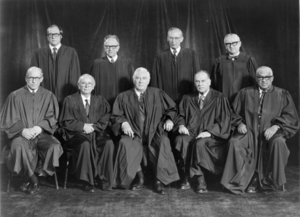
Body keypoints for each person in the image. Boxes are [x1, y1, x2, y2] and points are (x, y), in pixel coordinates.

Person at [221, 66, 299, 194]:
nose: (264, 80)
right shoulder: (245, 93)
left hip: (270, 131)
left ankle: (270, 181)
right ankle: (239, 181)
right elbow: (232, 112)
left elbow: (290, 116)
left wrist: (275, 127)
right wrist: (240, 123)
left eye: (267, 77)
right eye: (260, 77)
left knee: (278, 143)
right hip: (249, 130)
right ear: (256, 79)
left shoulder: (282, 94)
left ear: (272, 78)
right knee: (234, 143)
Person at [111, 67, 180, 195]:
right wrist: (124, 123)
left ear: (149, 80)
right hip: (133, 133)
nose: (141, 81)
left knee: (163, 142)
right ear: (133, 80)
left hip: (155, 132)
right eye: (138, 78)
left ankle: (159, 180)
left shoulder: (158, 93)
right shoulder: (123, 96)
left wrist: (169, 120)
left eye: (144, 78)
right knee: (124, 143)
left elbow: (172, 109)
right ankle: (140, 177)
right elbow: (115, 115)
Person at [0, 67, 63, 194]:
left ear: (42, 79)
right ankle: (32, 179)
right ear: (26, 79)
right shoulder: (15, 96)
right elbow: (7, 119)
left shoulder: (49, 95)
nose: (34, 81)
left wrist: (39, 127)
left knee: (54, 146)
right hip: (20, 135)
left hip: (41, 134)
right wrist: (22, 130)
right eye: (31, 78)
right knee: (18, 147)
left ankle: (35, 174)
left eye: (37, 78)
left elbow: (53, 117)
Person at [174, 71, 232, 193]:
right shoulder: (187, 98)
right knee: (181, 140)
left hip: (211, 136)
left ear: (209, 82)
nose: (200, 84)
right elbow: (180, 116)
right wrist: (181, 125)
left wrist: (210, 132)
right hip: (191, 132)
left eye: (203, 81)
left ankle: (200, 179)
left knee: (199, 143)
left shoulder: (219, 98)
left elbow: (225, 120)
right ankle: (187, 176)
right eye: (197, 81)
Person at [59, 74, 114, 192]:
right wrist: (83, 126)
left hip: (96, 132)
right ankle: (86, 180)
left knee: (108, 143)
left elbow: (106, 117)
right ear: (79, 85)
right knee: (85, 144)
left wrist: (94, 127)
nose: (86, 86)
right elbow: (65, 121)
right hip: (76, 134)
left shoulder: (100, 100)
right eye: (83, 83)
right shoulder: (70, 100)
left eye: (90, 84)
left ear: (93, 86)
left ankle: (102, 177)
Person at [30, 24, 81, 105]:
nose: (53, 37)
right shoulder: (39, 53)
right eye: (50, 34)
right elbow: (32, 76)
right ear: (47, 37)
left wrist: (72, 97)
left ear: (61, 36)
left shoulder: (71, 52)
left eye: (56, 34)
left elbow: (75, 76)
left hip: (65, 96)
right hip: (43, 97)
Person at [152, 27, 200, 103]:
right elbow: (155, 80)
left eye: (176, 38)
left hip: (187, 99)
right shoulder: (160, 56)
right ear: (167, 38)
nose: (173, 41)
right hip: (166, 100)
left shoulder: (191, 55)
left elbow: (197, 76)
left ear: (182, 39)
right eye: (171, 38)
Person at [211, 33, 258, 103]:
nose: (231, 46)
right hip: (224, 100)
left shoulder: (249, 60)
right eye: (228, 44)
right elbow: (214, 83)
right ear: (225, 46)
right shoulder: (219, 61)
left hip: (244, 100)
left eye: (234, 43)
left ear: (240, 44)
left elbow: (255, 82)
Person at [90, 35, 134, 106]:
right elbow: (92, 86)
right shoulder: (97, 64)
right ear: (104, 48)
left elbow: (132, 85)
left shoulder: (127, 63)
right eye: (107, 46)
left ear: (118, 47)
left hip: (122, 105)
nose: (110, 49)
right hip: (102, 105)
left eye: (113, 46)